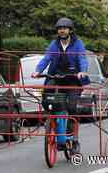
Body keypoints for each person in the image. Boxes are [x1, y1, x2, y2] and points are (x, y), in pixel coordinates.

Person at [31, 17, 89, 153]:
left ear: (70, 30)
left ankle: (74, 138)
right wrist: (37, 71)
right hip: (56, 77)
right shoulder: (54, 44)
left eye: (64, 28)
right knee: (48, 99)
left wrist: (82, 71)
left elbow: (82, 58)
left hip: (73, 78)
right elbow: (47, 58)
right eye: (59, 28)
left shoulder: (78, 43)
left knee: (72, 107)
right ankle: (54, 124)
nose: (62, 30)